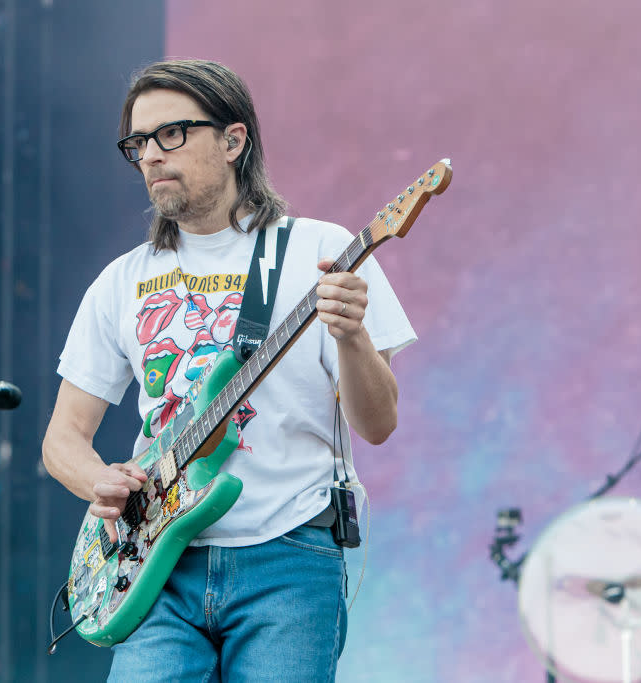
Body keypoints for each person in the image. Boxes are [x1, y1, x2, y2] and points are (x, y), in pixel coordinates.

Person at [41, 59, 416, 682]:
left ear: (234, 140)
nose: (151, 156)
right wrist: (97, 482)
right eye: (137, 144)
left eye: (172, 134)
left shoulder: (320, 251)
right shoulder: (121, 282)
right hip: (156, 563)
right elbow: (62, 440)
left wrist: (351, 337)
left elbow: (377, 425)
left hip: (288, 559)